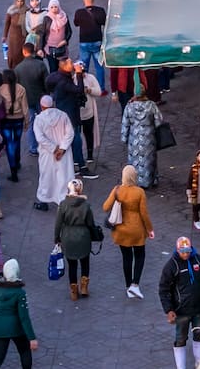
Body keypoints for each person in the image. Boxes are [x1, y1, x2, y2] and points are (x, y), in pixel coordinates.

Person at [158, 236, 200, 369]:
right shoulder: (171, 266)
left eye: (188, 251)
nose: (186, 254)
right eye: (182, 251)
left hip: (199, 308)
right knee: (180, 339)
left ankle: (199, 364)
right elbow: (164, 290)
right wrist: (169, 310)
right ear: (177, 250)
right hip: (181, 311)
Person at [104, 164, 155, 298]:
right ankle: (135, 284)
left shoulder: (117, 190)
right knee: (140, 256)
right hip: (137, 230)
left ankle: (128, 287)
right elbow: (144, 213)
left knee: (126, 258)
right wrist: (150, 229)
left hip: (121, 230)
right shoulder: (139, 192)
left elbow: (105, 207)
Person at [53, 180, 99, 300]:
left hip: (68, 237)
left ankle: (74, 291)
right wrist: (95, 236)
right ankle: (84, 288)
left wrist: (56, 238)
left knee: (72, 265)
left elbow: (58, 224)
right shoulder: (86, 206)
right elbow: (91, 224)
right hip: (83, 237)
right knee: (85, 263)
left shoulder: (63, 205)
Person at [32, 96, 75, 211]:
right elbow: (70, 133)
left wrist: (53, 148)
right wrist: (62, 148)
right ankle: (63, 201)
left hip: (47, 154)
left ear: (42, 106)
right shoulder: (63, 115)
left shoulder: (39, 119)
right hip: (63, 154)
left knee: (47, 176)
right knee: (63, 176)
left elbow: (40, 138)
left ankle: (44, 200)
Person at [121, 87, 164, 188]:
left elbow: (125, 123)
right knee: (149, 160)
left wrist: (124, 138)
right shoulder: (151, 105)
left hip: (134, 138)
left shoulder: (129, 106)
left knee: (134, 160)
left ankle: (135, 181)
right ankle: (150, 180)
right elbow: (159, 121)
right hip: (149, 138)